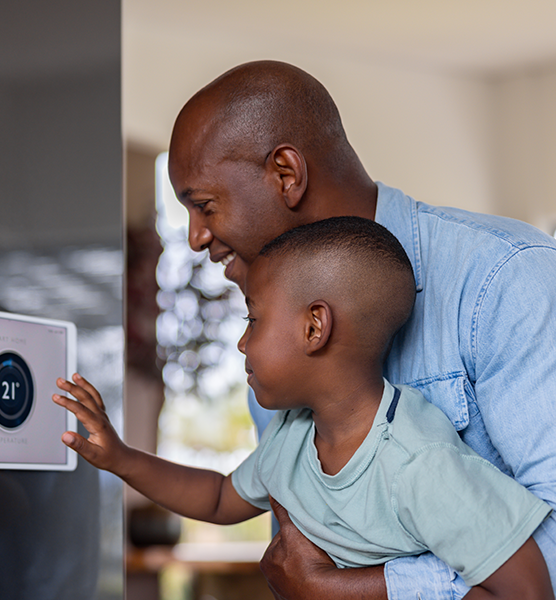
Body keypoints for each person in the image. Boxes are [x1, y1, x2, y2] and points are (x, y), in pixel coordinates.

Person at [165, 60, 556, 599]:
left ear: (286, 173)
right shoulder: (278, 344)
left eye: (203, 205)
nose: (193, 237)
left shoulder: (505, 278)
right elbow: (296, 552)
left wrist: (359, 589)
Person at [54, 216, 553, 599]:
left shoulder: (419, 463)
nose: (242, 345)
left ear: (315, 328)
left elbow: (528, 589)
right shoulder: (292, 435)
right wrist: (120, 458)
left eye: (254, 321)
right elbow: (216, 498)